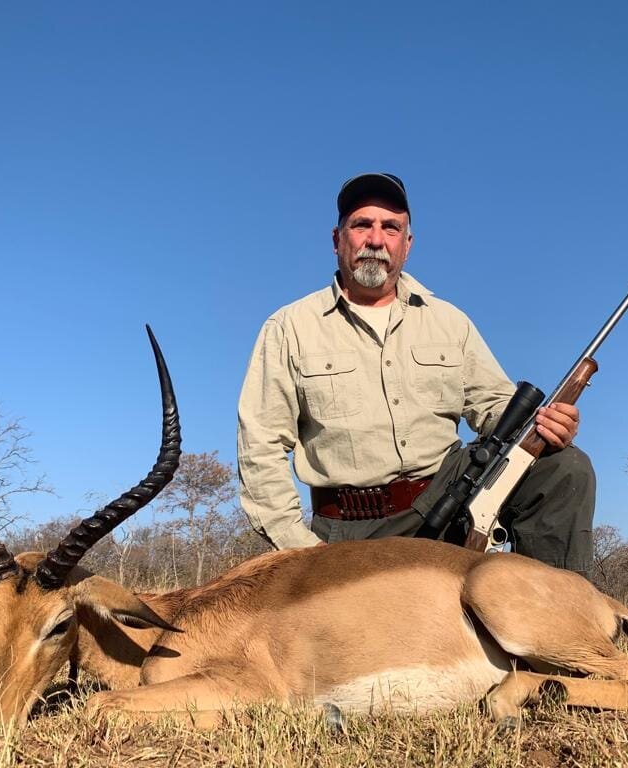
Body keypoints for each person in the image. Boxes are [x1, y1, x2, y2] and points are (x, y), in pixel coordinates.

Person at [237, 173, 595, 576]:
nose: (376, 239)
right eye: (362, 225)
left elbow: (495, 408)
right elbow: (261, 447)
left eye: (391, 227)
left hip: (448, 496)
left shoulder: (449, 321)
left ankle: (556, 620)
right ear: (337, 239)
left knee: (564, 467)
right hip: (348, 529)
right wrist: (303, 553)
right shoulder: (288, 327)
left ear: (407, 245)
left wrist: (548, 426)